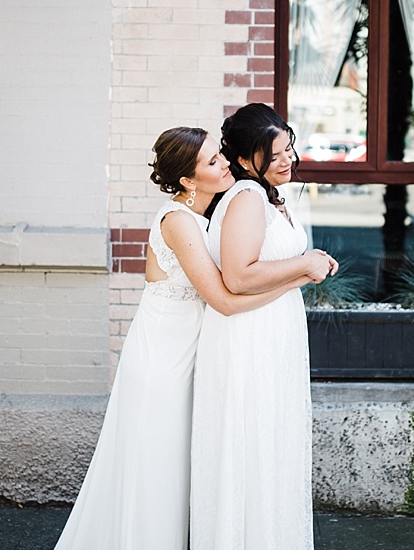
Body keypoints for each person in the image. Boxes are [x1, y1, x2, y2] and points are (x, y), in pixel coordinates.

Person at [54, 127, 333, 550]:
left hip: (191, 355)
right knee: (155, 473)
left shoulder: (206, 214)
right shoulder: (178, 223)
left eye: (220, 155)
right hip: (162, 360)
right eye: (212, 162)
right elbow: (225, 299)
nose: (225, 164)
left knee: (181, 472)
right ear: (188, 180)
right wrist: (298, 277)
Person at [190, 103, 337, 549]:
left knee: (271, 446)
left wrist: (305, 268)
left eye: (288, 149)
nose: (286, 160)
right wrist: (303, 263)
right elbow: (238, 275)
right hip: (249, 339)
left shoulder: (269, 195)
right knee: (252, 446)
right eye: (274, 156)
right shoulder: (248, 199)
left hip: (271, 332)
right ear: (243, 160)